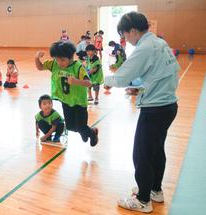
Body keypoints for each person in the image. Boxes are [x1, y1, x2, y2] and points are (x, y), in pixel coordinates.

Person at [104, 12, 179, 213]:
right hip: (168, 104)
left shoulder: (144, 48)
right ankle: (154, 190)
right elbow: (158, 73)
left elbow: (121, 77)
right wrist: (141, 86)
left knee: (142, 154)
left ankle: (143, 200)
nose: (126, 40)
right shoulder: (158, 43)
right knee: (156, 150)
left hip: (155, 108)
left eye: (125, 35)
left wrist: (104, 80)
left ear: (134, 31)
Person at [35, 41, 99, 147]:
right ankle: (85, 131)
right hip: (65, 101)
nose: (59, 62)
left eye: (63, 60)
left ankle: (92, 133)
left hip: (79, 102)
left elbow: (89, 83)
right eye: (57, 59)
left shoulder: (77, 67)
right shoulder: (54, 64)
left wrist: (75, 81)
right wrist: (36, 58)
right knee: (70, 127)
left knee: (81, 126)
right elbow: (40, 67)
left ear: (70, 58)